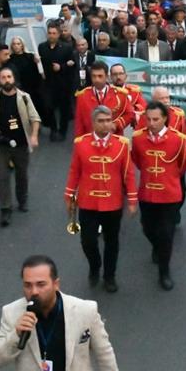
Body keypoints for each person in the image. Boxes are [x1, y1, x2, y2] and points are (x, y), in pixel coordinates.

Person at [65, 106, 138, 292]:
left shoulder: (122, 144)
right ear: (93, 122)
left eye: (108, 120)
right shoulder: (81, 143)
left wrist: (131, 200)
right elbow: (75, 170)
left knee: (112, 241)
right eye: (101, 121)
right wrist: (69, 194)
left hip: (113, 202)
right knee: (87, 240)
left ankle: (109, 276)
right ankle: (95, 265)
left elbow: (128, 174)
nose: (106, 124)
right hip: (88, 201)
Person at [132, 101, 186, 290]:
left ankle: (164, 271)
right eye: (148, 119)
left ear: (165, 119)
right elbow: (137, 160)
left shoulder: (178, 139)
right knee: (147, 228)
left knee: (166, 234)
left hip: (169, 194)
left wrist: (169, 177)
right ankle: (156, 246)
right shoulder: (137, 138)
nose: (151, 123)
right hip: (147, 193)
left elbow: (183, 163)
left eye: (156, 119)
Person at [0, 67, 41, 226]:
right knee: (3, 177)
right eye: (3, 77)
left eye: (9, 77)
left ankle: (22, 199)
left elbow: (35, 118)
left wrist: (33, 135)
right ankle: (5, 209)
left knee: (22, 175)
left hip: (21, 145)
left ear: (13, 79)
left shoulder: (24, 98)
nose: (7, 80)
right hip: (2, 146)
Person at [73, 61, 135, 138]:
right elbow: (79, 122)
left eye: (100, 76)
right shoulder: (82, 96)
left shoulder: (120, 94)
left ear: (107, 77)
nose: (97, 80)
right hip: (90, 140)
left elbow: (130, 114)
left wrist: (116, 125)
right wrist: (80, 143)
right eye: (94, 76)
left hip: (114, 140)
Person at [39, 23, 79, 141]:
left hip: (63, 84)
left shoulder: (66, 47)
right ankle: (53, 129)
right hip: (48, 83)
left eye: (54, 33)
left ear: (58, 34)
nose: (51, 35)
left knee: (64, 109)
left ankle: (62, 131)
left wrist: (61, 67)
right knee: (48, 107)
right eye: (50, 33)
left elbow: (73, 63)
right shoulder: (42, 47)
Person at [8, 36, 45, 121]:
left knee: (37, 109)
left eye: (18, 43)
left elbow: (39, 72)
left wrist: (38, 62)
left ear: (22, 45)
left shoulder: (30, 56)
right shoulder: (10, 59)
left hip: (33, 88)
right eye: (14, 44)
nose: (16, 46)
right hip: (20, 88)